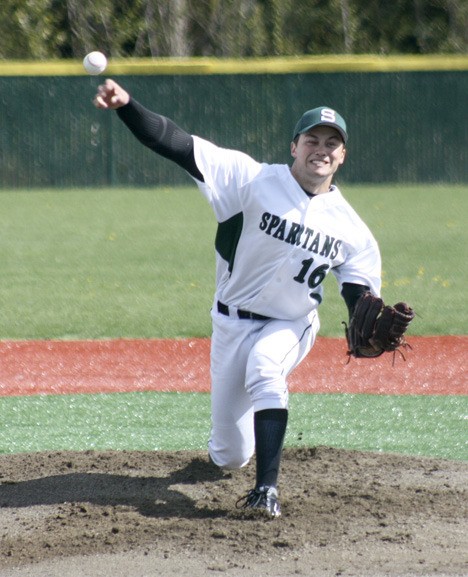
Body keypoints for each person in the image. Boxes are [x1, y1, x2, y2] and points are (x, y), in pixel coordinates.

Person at [93, 79, 381, 517]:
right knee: (229, 455)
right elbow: (173, 142)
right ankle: (233, 455)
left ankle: (266, 490)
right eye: (312, 140)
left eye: (331, 143)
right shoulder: (249, 179)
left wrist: (364, 315)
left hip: (291, 322)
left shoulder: (352, 230)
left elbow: (357, 291)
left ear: (342, 155)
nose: (321, 149)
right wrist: (127, 106)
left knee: (267, 370)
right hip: (230, 322)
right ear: (294, 147)